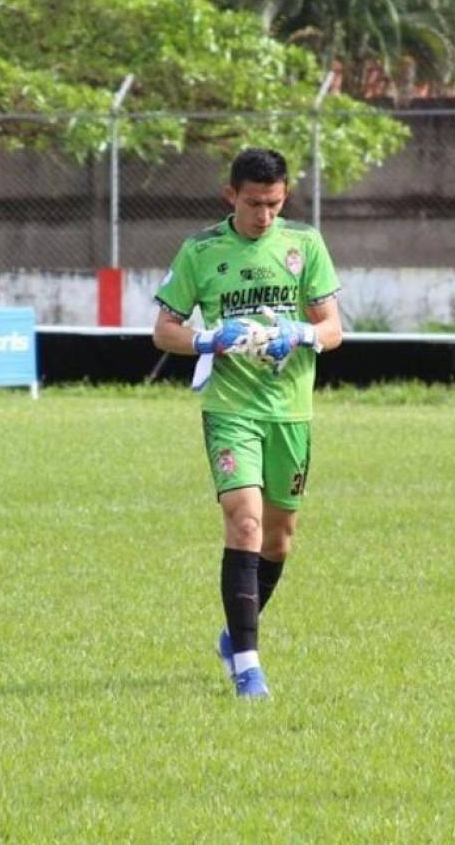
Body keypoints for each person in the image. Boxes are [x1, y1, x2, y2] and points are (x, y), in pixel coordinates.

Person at [152, 147, 343, 699]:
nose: (265, 216)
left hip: (290, 411)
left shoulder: (304, 245)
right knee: (245, 524)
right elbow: (164, 330)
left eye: (275, 204)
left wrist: (301, 335)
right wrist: (208, 339)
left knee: (279, 539)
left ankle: (234, 632)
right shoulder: (202, 250)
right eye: (255, 203)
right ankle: (247, 667)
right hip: (231, 409)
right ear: (230, 195)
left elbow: (333, 328)